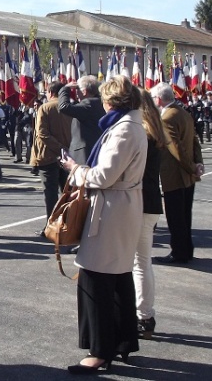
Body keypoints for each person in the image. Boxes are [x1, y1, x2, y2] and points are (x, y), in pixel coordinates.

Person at [60, 76, 147, 374]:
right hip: (120, 205)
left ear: (112, 101)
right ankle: (121, 342)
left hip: (112, 208)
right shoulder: (131, 126)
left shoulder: (124, 130)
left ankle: (100, 350)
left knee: (96, 278)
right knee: (118, 276)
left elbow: (104, 176)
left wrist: (75, 170)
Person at [151, 82, 202, 264]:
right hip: (187, 176)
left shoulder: (167, 118)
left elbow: (176, 149)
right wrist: (197, 164)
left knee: (176, 217)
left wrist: (192, 167)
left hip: (175, 175)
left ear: (158, 99)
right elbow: (194, 141)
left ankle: (179, 252)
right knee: (185, 216)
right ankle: (186, 250)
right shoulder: (183, 113)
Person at [133, 89, 166, 339]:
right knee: (143, 263)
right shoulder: (155, 131)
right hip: (151, 201)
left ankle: (144, 315)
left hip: (140, 202)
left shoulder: (141, 133)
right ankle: (145, 315)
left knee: (139, 264)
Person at [30, 82, 72, 220]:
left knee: (51, 194)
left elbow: (42, 133)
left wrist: (59, 147)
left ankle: (52, 224)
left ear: (50, 92)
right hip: (67, 157)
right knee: (67, 193)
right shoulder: (69, 108)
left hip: (48, 156)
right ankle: (67, 222)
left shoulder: (45, 108)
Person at [58, 75, 105, 165]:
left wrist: (65, 88)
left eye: (77, 90)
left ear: (84, 91)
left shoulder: (88, 104)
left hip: (84, 153)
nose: (76, 93)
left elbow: (63, 107)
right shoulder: (98, 102)